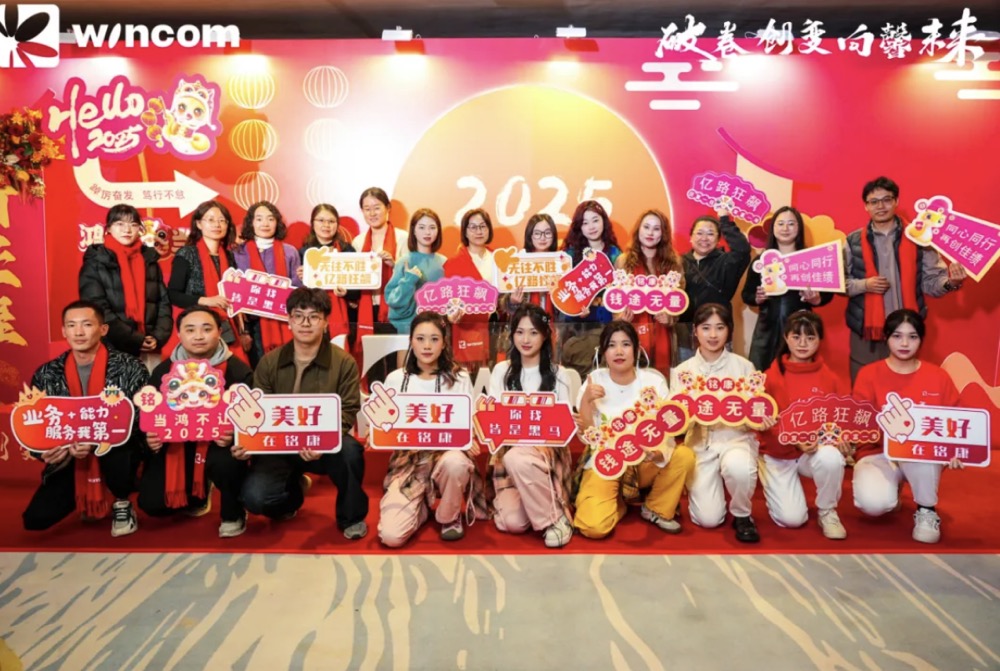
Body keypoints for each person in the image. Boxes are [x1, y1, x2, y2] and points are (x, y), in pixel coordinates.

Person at [237, 288, 369, 540]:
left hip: (325, 445)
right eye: (298, 316)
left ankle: (351, 517)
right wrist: (247, 442)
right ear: (289, 320)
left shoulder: (344, 362)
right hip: (280, 445)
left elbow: (348, 409)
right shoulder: (269, 361)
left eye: (314, 317)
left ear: (325, 322)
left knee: (351, 452)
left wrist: (323, 441)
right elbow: (258, 411)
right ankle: (292, 494)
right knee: (255, 498)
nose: (305, 323)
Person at [21, 300, 148, 536]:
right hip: (71, 455)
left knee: (118, 454)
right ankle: (88, 495)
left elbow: (141, 419)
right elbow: (36, 423)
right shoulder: (47, 373)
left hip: (118, 450)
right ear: (64, 331)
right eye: (71, 325)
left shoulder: (130, 367)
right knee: (35, 520)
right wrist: (45, 451)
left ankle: (121, 500)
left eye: (87, 324)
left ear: (103, 329)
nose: (78, 332)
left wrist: (97, 440)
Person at [137, 306, 254, 538]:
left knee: (226, 462)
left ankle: (233, 512)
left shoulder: (238, 371)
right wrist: (150, 438)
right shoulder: (163, 371)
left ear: (219, 331)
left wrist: (236, 435)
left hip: (219, 448)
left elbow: (253, 420)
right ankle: (198, 494)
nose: (198, 336)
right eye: (190, 330)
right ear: (179, 334)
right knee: (152, 504)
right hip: (177, 446)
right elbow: (149, 414)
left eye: (206, 329)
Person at [573, 321, 695, 539]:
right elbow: (587, 437)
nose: (619, 351)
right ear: (604, 352)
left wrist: (658, 452)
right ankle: (619, 502)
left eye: (626, 344)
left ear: (637, 350)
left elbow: (666, 428)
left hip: (644, 462)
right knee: (593, 527)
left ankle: (655, 508)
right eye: (612, 345)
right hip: (606, 462)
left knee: (683, 456)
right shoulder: (594, 381)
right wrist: (585, 401)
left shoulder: (653, 381)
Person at [852, 309, 963, 544]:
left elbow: (955, 422)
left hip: (921, 454)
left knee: (918, 446)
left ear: (921, 339)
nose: (904, 343)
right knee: (873, 504)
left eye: (912, 337)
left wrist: (955, 450)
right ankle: (892, 489)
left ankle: (926, 509)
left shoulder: (938, 376)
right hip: (878, 452)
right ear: (886, 337)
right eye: (897, 336)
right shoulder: (868, 374)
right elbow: (859, 422)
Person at [377, 312, 486, 546]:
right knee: (391, 537)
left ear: (444, 343)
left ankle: (449, 516)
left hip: (447, 456)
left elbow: (469, 420)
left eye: (434, 339)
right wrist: (376, 432)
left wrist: (469, 437)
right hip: (410, 461)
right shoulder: (396, 379)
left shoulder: (459, 378)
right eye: (420, 339)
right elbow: (384, 425)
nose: (427, 346)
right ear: (411, 341)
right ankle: (421, 508)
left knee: (456, 462)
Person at [845, 176, 965, 382]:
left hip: (907, 330)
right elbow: (839, 283)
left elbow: (932, 281)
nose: (880, 206)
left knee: (905, 388)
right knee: (864, 388)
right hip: (866, 330)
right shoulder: (852, 241)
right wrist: (864, 285)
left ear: (896, 202)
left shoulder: (919, 237)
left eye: (887, 200)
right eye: (874, 202)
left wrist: (951, 282)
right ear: (866, 206)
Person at [671, 303, 761, 543]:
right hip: (700, 444)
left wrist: (762, 419)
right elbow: (674, 418)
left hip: (735, 438)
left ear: (729, 330)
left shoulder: (744, 367)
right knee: (708, 519)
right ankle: (716, 489)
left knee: (739, 467)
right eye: (706, 328)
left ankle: (742, 513)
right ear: (695, 331)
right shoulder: (682, 371)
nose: (713, 335)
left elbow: (757, 409)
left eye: (720, 328)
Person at [489, 304, 576, 548]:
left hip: (547, 451)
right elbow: (495, 417)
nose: (525, 339)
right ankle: (544, 505)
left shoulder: (559, 374)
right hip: (509, 449)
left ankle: (556, 519)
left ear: (545, 335)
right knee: (512, 523)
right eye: (519, 332)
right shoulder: (501, 371)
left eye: (533, 332)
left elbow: (563, 425)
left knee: (518, 458)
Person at [758, 311, 848, 540]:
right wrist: (793, 440)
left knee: (831, 457)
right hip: (779, 454)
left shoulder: (831, 378)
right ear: (786, 337)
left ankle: (827, 510)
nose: (802, 343)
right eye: (796, 337)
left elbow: (842, 419)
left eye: (810, 337)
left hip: (814, 452)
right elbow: (761, 424)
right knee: (792, 519)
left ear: (820, 340)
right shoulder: (770, 377)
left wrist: (841, 438)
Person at [78, 204, 172, 363]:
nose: (127, 230)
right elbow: (96, 308)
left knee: (150, 380)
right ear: (108, 228)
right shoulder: (96, 261)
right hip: (111, 346)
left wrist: (157, 337)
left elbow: (163, 302)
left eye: (133, 224)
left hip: (150, 345)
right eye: (120, 224)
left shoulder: (148, 259)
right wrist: (134, 339)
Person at [742, 206, 833, 372]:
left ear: (799, 228)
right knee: (760, 374)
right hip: (766, 329)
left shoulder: (811, 259)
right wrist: (757, 298)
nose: (785, 228)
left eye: (791, 224)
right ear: (773, 228)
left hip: (800, 329)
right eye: (780, 223)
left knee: (798, 373)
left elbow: (828, 293)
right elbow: (746, 294)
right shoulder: (762, 260)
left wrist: (816, 299)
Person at [167, 200, 248, 364]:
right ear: (198, 224)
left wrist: (243, 332)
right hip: (197, 330)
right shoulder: (187, 254)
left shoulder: (230, 257)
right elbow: (173, 294)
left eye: (222, 220)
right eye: (210, 219)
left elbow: (236, 297)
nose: (217, 225)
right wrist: (207, 301)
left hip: (228, 328)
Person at [676, 203, 751, 363]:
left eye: (710, 234)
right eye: (699, 233)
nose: (704, 238)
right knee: (687, 376)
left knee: (719, 375)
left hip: (717, 332)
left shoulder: (727, 262)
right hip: (685, 333)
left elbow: (743, 249)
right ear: (691, 237)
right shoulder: (678, 262)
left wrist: (724, 220)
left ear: (718, 239)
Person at [615, 209, 685, 374]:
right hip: (631, 330)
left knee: (662, 378)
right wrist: (620, 318)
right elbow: (616, 296)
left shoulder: (674, 263)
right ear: (638, 229)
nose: (650, 233)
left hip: (663, 333)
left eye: (656, 228)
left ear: (663, 233)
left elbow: (679, 298)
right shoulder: (624, 261)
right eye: (646, 227)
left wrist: (671, 317)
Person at [558, 201, 622, 379]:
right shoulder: (570, 256)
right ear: (579, 227)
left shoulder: (616, 254)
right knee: (579, 378)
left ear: (604, 222)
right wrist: (575, 308)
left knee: (609, 377)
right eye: (585, 223)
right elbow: (562, 293)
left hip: (609, 327)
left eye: (595, 220)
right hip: (578, 330)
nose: (591, 227)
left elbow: (621, 292)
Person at [233, 200, 301, 366]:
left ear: (277, 223)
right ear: (251, 223)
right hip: (252, 324)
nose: (265, 223)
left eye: (270, 219)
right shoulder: (238, 252)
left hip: (285, 320)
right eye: (259, 219)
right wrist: (243, 330)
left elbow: (297, 288)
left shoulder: (290, 251)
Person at [354, 187, 408, 382]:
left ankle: (395, 394)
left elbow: (412, 275)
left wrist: (394, 264)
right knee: (372, 361)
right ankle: (374, 395)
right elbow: (353, 276)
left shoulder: (403, 238)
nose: (372, 213)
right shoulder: (358, 241)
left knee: (395, 360)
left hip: (395, 308)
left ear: (388, 208)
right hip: (368, 307)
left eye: (377, 207)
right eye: (367, 209)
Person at [443, 208, 497, 373]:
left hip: (495, 328)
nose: (478, 231)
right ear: (465, 232)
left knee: (494, 375)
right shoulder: (454, 263)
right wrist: (451, 314)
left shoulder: (499, 259)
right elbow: (449, 301)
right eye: (473, 227)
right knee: (469, 377)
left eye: (483, 226)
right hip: (467, 329)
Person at [298, 203, 359, 349]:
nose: (326, 225)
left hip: (343, 314)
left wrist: (347, 292)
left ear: (337, 225)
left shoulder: (347, 250)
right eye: (321, 220)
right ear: (313, 223)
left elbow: (357, 289)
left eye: (331, 221)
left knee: (339, 354)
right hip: (313, 314)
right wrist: (301, 279)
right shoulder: (304, 252)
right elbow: (297, 294)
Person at [385, 208, 446, 335]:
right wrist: (409, 280)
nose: (427, 232)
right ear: (413, 230)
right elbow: (392, 299)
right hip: (408, 329)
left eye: (432, 227)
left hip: (437, 329)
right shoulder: (404, 261)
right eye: (422, 227)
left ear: (438, 231)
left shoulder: (444, 262)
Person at [503, 212, 560, 320]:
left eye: (547, 233)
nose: (542, 238)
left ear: (553, 235)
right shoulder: (519, 261)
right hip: (526, 323)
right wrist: (512, 302)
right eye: (537, 233)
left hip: (555, 324)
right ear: (530, 236)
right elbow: (506, 303)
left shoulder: (562, 262)